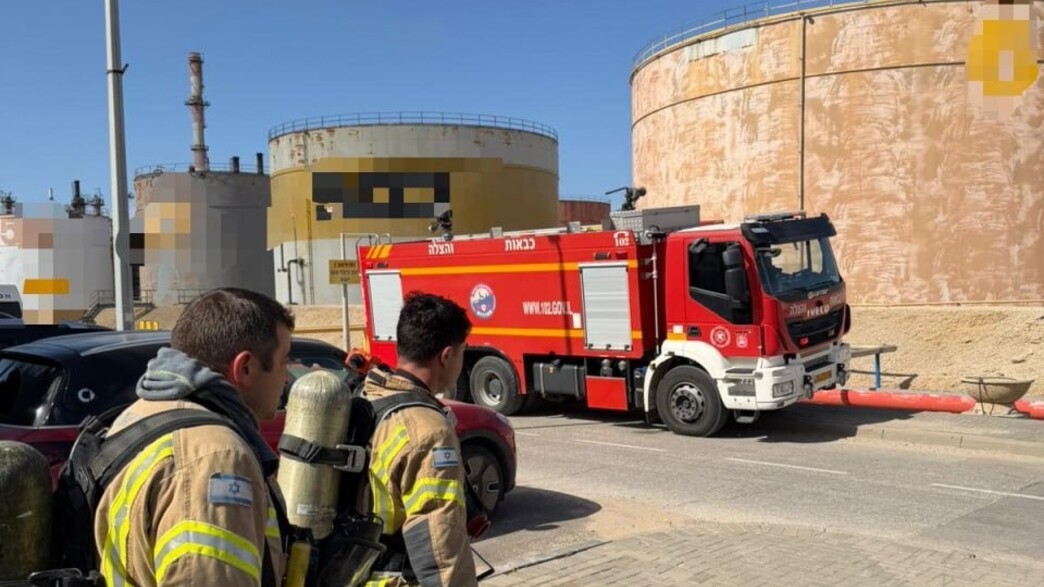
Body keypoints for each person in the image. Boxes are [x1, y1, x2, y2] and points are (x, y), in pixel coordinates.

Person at [93, 287, 294, 587]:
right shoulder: (216, 457)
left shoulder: (139, 415)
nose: (286, 377)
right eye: (283, 362)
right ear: (245, 368)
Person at [362, 292, 478, 587]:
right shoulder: (429, 431)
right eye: (462, 353)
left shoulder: (367, 397)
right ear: (447, 356)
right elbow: (440, 548)